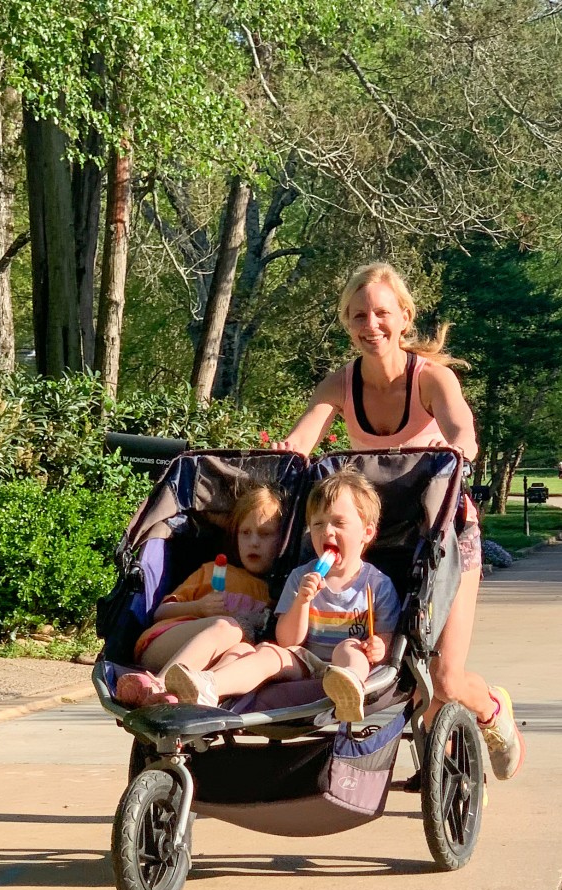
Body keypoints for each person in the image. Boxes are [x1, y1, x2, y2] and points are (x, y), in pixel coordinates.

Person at [270, 260, 524, 782]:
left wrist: (460, 448)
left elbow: (461, 431)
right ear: (347, 321)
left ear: (404, 317)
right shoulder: (340, 385)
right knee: (399, 667)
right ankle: (420, 747)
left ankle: (494, 712)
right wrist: (285, 452)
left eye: (382, 313)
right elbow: (303, 439)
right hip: (381, 540)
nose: (371, 325)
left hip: (445, 536)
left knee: (445, 680)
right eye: (359, 315)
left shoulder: (431, 379)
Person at [165, 469, 400, 723]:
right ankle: (209, 685)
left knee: (349, 647)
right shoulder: (301, 577)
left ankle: (349, 691)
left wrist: (378, 649)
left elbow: (384, 643)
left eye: (339, 523)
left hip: (347, 665)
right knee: (269, 653)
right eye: (318, 524)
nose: (327, 532)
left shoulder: (377, 585)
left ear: (367, 533)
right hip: (305, 660)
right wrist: (302, 601)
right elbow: (288, 640)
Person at [115, 484, 283, 706]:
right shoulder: (212, 571)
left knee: (242, 650)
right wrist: (198, 608)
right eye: (245, 532)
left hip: (209, 665)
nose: (253, 542)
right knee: (228, 628)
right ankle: (160, 685)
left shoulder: (277, 594)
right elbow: (160, 613)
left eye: (265, 534)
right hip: (164, 644)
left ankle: (192, 697)